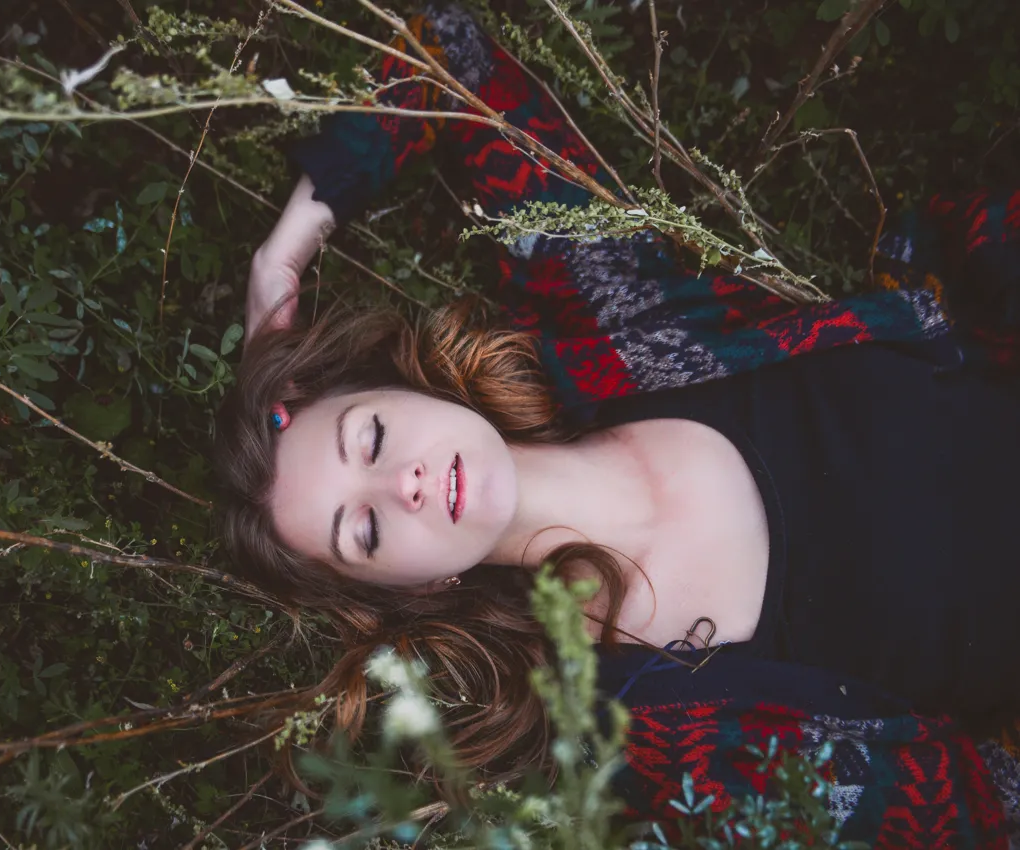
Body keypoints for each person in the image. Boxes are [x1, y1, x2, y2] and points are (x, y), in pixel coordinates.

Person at [216, 5, 1020, 844]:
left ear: (401, 387)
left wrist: (284, 250)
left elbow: (455, 57)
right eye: (367, 528)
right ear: (412, 589)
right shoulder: (652, 724)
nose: (402, 484)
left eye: (370, 439)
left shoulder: (612, 330)